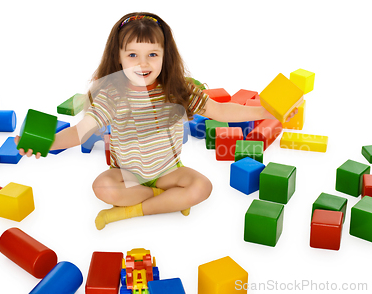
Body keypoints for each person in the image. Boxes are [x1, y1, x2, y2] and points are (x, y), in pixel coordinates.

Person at [17, 12, 295, 230]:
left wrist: (265, 111)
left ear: (164, 56)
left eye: (152, 54)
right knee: (101, 187)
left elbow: (222, 112)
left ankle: (132, 211)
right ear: (119, 57)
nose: (143, 63)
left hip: (168, 171)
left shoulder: (178, 89)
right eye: (132, 55)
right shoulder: (112, 95)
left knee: (203, 187)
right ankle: (165, 201)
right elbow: (79, 133)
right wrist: (45, 143)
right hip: (128, 173)